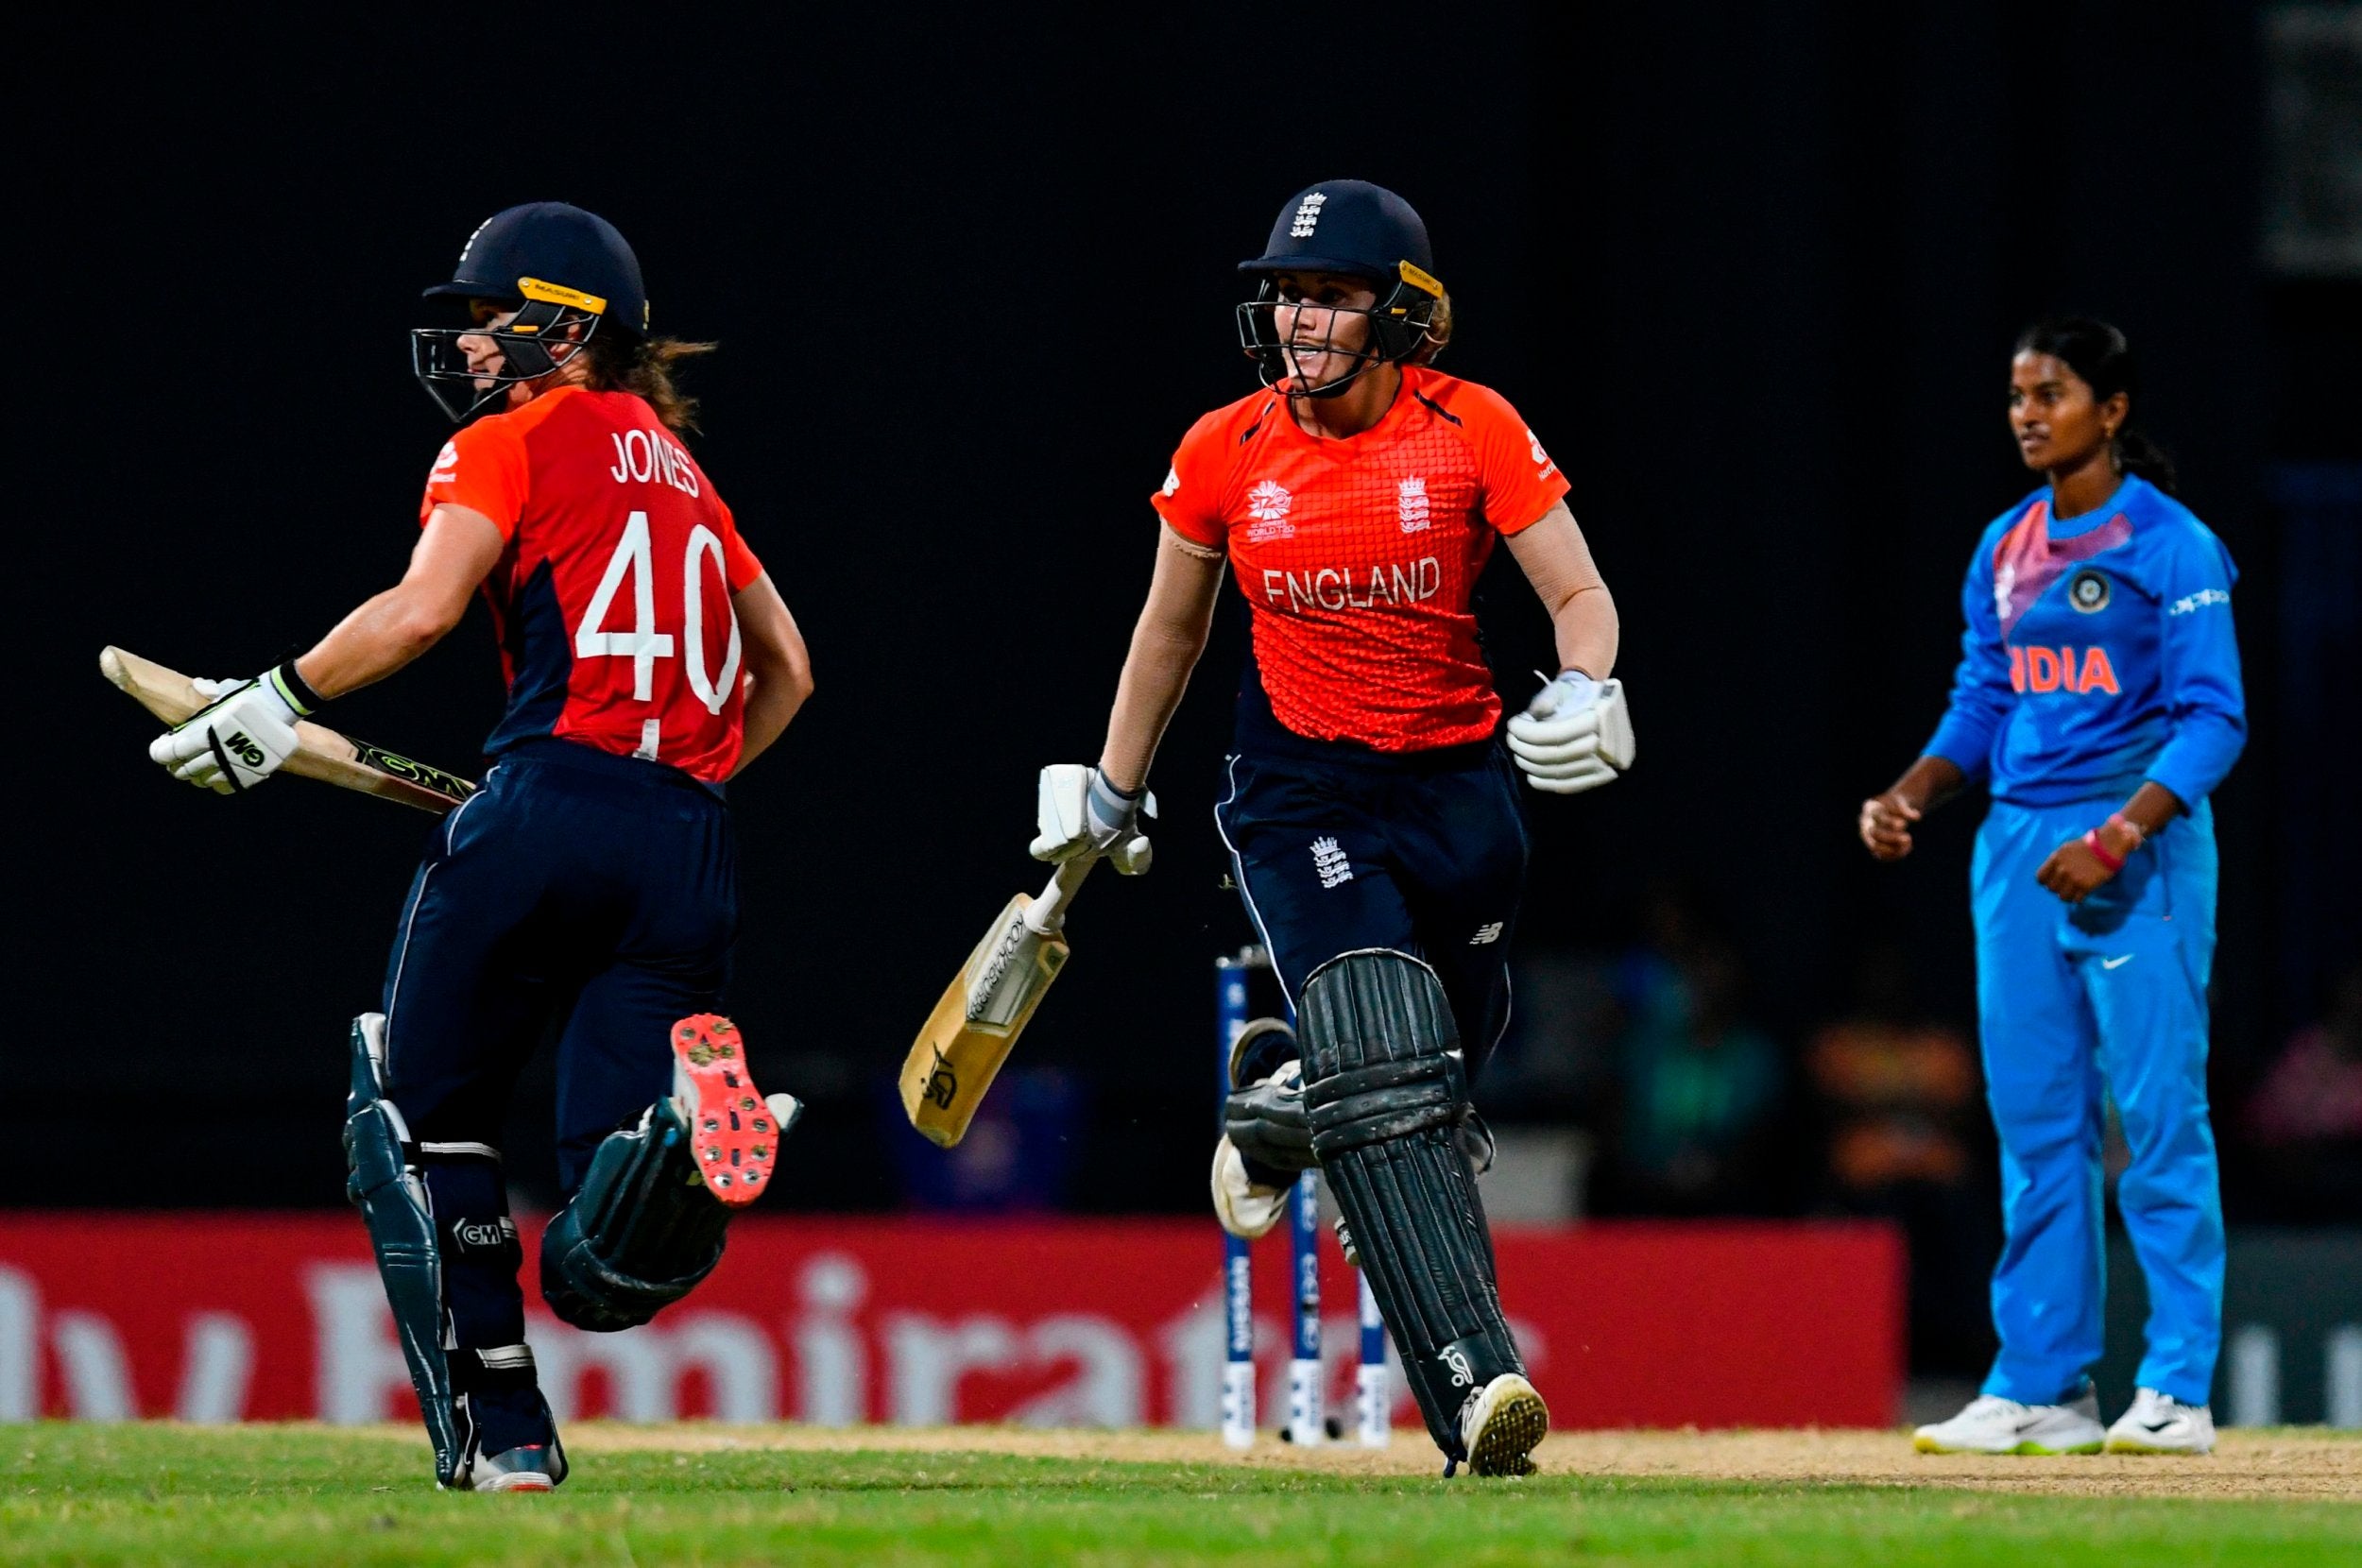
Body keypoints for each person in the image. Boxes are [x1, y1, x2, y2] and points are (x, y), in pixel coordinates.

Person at [145, 203, 814, 1490]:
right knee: (600, 1256)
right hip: (689, 840)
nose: (465, 349)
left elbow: (418, 613)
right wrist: (676, 774)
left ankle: (504, 1437)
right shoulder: (687, 472)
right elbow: (788, 670)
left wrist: (277, 699)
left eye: (486, 320)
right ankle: (669, 1141)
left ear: (566, 329)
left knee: (415, 1117)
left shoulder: (509, 445)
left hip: (543, 809)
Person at [1028, 180, 1634, 1475]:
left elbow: (1579, 593)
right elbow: (1171, 631)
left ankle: (1278, 1107)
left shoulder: (1472, 429)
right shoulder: (1224, 447)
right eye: (1289, 294)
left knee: (1430, 1082)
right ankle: (1477, 1395)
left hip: (1460, 792)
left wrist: (1591, 682)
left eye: (1331, 296)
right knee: (1393, 1059)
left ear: (1400, 316)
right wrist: (1112, 786)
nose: (1299, 318)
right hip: (1299, 787)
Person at [1859, 317, 2244, 1457]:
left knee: (2159, 1120)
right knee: (2034, 1127)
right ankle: (2043, 1383)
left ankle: (2174, 1385)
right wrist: (1913, 792)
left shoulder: (2171, 547)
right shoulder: (2004, 544)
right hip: (2018, 856)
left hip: (2139, 852)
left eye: (2053, 393)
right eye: (2017, 394)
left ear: (2111, 410)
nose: (2027, 413)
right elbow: (1983, 700)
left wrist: (2119, 836)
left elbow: (2214, 720)